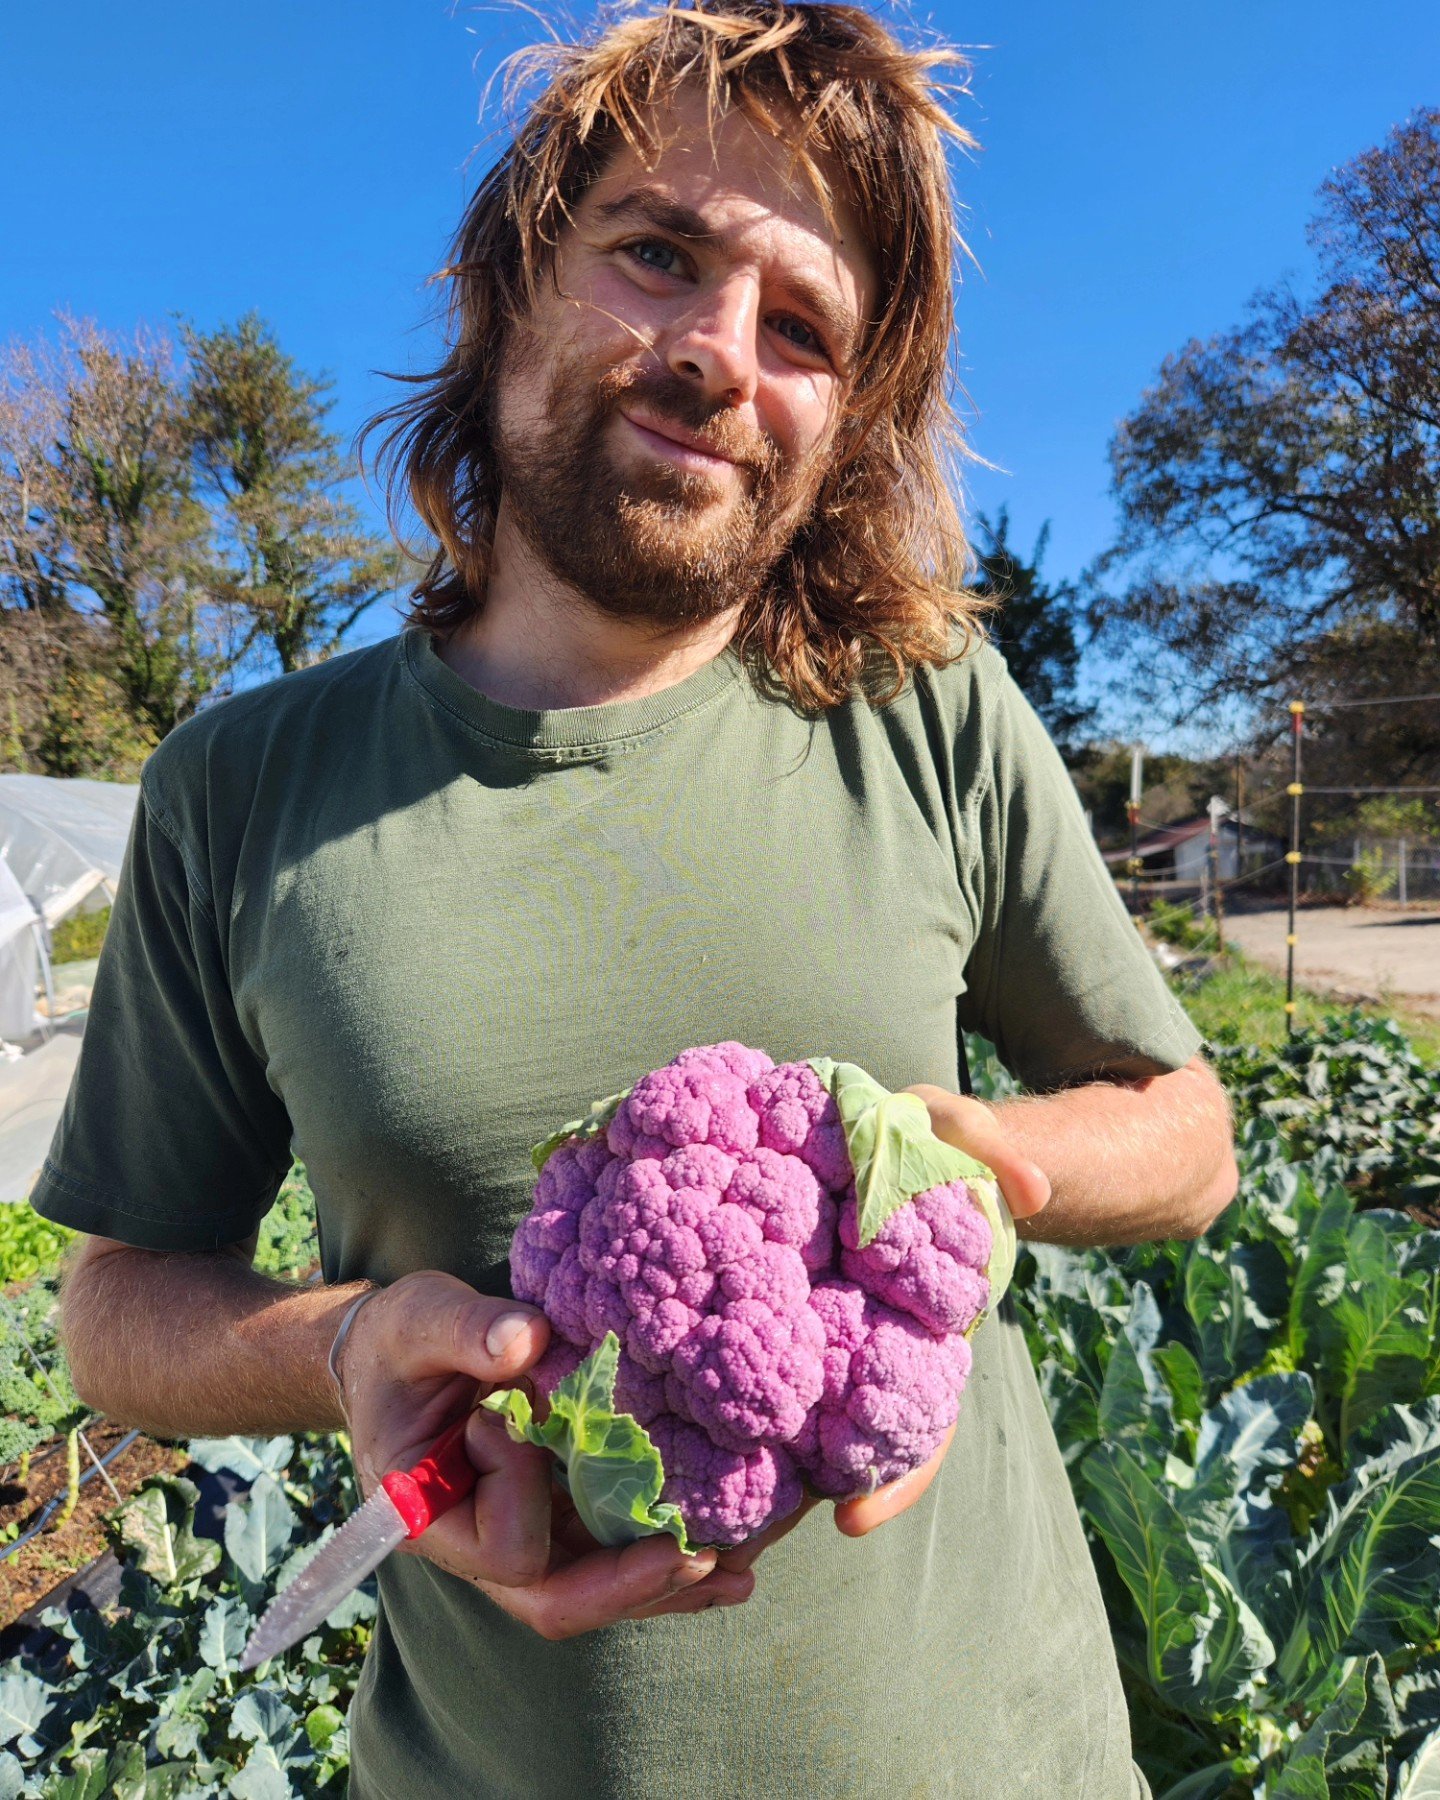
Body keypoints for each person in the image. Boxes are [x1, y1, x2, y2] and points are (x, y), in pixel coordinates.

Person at [33, 3, 1238, 1794]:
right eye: (658, 254)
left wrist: (968, 1177)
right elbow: (114, 1309)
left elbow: (1190, 1133)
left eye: (803, 327)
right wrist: (346, 1343)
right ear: (504, 285)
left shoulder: (924, 708)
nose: (720, 355)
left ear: (844, 420)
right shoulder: (244, 785)